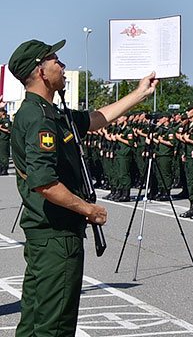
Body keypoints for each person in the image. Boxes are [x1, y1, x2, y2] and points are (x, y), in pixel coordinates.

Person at [8, 38, 157, 337]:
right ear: (40, 71)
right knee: (55, 325)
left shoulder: (50, 112)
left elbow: (96, 119)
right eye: (56, 61)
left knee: (35, 319)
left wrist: (138, 94)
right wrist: (88, 208)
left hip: (47, 235)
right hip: (56, 235)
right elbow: (45, 184)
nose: (63, 66)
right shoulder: (39, 119)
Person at [0, 105, 12, 175]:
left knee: (4, 155)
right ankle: (1, 168)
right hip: (1, 140)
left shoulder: (6, 121)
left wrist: (1, 128)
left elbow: (9, 130)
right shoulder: (1, 120)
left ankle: (4, 169)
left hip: (4, 140)